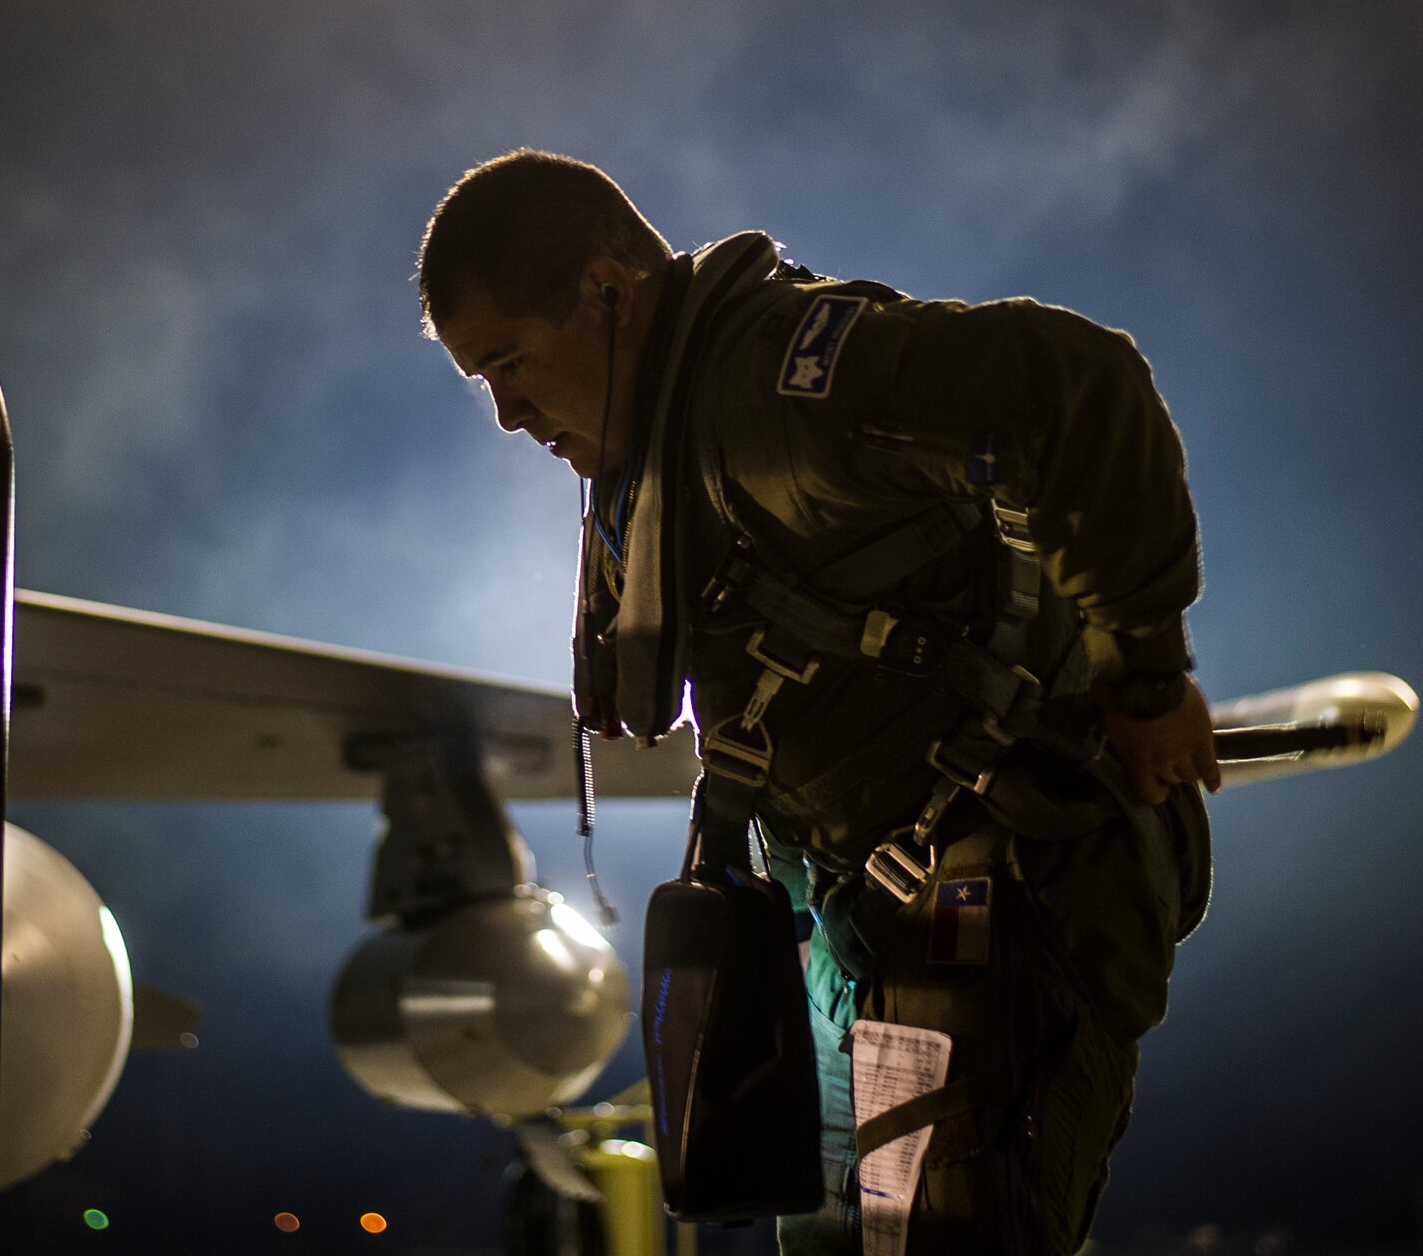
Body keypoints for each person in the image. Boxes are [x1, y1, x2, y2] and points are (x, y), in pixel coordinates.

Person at [417, 149, 1217, 1255]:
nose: (507, 414)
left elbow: (1077, 384)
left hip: (998, 903)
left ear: (606, 292)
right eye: (481, 381)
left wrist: (1142, 674)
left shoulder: (783, 395)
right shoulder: (659, 456)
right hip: (854, 928)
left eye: (509, 362)